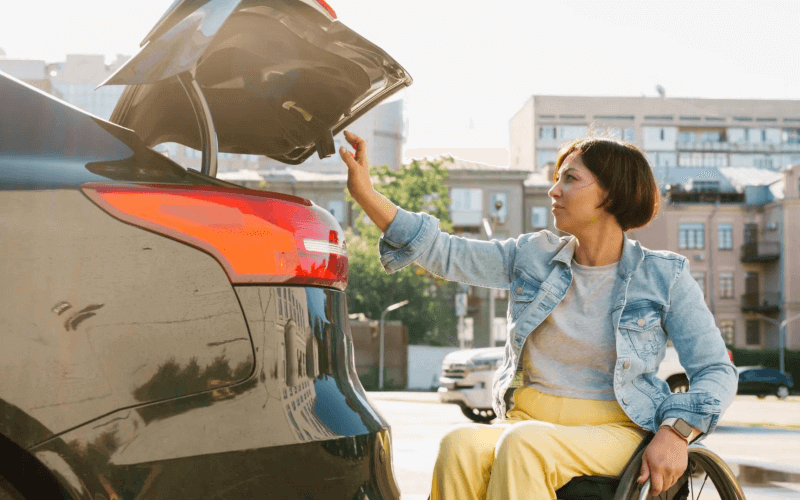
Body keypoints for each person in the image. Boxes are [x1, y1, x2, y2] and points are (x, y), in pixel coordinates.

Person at [339, 130, 737, 499]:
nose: (554, 190)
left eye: (569, 179)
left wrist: (677, 432)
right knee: (458, 445)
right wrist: (366, 193)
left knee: (524, 445)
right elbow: (446, 252)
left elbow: (716, 370)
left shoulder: (664, 275)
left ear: (611, 194)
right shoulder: (533, 257)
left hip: (616, 429)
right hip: (528, 418)